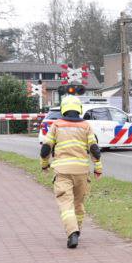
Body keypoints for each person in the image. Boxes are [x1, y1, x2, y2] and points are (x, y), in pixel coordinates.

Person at [40, 95, 103, 248]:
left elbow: (46, 147)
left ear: (63, 109)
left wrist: (44, 164)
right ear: (79, 109)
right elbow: (94, 148)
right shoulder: (86, 126)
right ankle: (77, 231)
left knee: (65, 204)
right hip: (81, 171)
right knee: (78, 204)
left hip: (62, 171)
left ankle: (72, 232)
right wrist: (98, 167)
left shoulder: (57, 125)